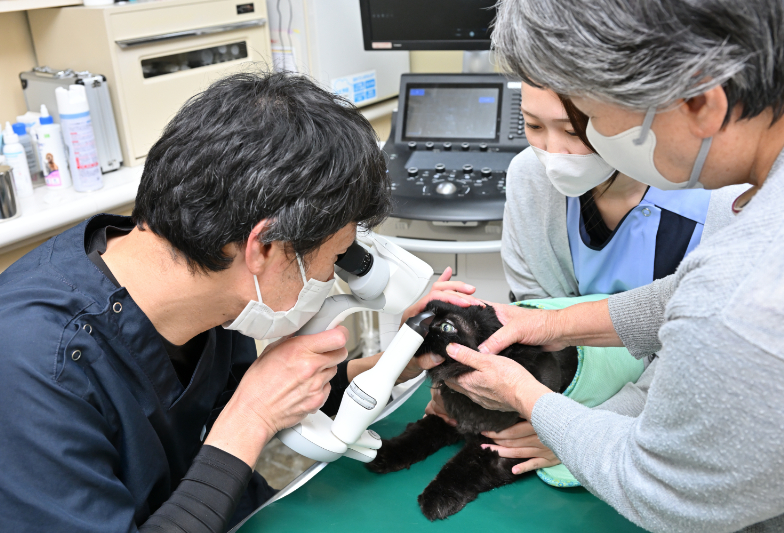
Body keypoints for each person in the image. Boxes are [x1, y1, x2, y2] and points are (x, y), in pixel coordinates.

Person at [0, 70, 476, 533]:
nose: (334, 276)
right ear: (264, 247)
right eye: (335, 257)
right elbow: (244, 413)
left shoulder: (202, 274)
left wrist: (394, 364)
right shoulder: (31, 369)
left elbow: (242, 402)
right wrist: (252, 415)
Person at [440, 1, 784, 531]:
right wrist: (552, 322)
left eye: (593, 119)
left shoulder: (744, 297)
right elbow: (685, 293)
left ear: (699, 101)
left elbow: (662, 491)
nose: (577, 146)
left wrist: (526, 397)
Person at [427, 84, 744, 475]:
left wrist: (571, 429)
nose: (553, 153)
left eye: (574, 131)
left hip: (674, 410)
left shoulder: (726, 205)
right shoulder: (531, 176)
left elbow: (702, 355)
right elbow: (536, 318)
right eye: (533, 125)